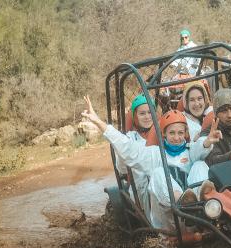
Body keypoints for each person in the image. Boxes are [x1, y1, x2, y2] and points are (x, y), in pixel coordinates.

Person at [82, 96, 222, 231]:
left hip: (201, 215)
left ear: (186, 133)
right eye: (172, 133)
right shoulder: (154, 153)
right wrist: (99, 123)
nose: (176, 137)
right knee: (158, 173)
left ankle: (203, 202)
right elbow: (128, 149)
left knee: (200, 165)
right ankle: (184, 202)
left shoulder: (189, 150)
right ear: (164, 134)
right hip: (170, 220)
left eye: (180, 133)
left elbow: (199, 147)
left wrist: (208, 141)